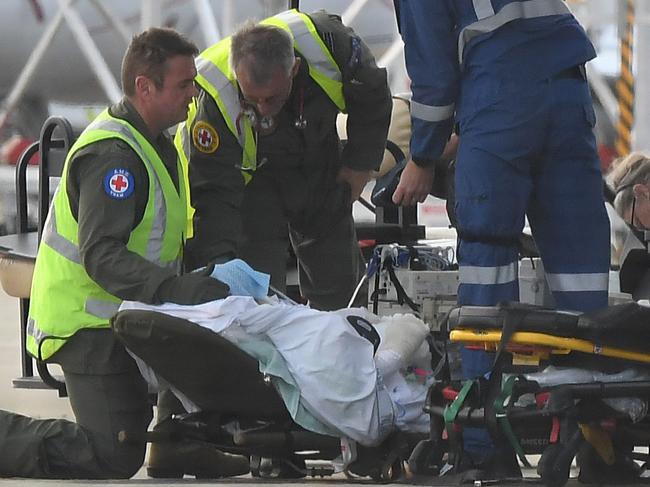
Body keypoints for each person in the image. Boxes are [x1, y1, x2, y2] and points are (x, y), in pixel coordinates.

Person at [0, 28, 248, 479]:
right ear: (144, 87)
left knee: (205, 337)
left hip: (130, 313)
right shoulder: (115, 157)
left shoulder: (158, 142)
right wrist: (175, 290)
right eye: (183, 85)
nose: (194, 95)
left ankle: (179, 445)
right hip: (90, 327)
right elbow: (101, 255)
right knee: (111, 456)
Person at [392, 0, 611, 480]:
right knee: (584, 281)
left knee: (487, 277)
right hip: (568, 88)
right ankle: (601, 441)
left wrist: (423, 157)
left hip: (501, 96)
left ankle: (483, 447)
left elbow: (433, 77)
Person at [176, 9, 392, 310]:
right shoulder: (213, 101)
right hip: (250, 188)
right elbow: (213, 195)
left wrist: (358, 166)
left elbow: (373, 97)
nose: (263, 111)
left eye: (272, 99)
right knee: (259, 297)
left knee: (340, 294)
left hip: (319, 165)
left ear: (294, 69)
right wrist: (220, 265)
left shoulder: (331, 45)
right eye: (252, 100)